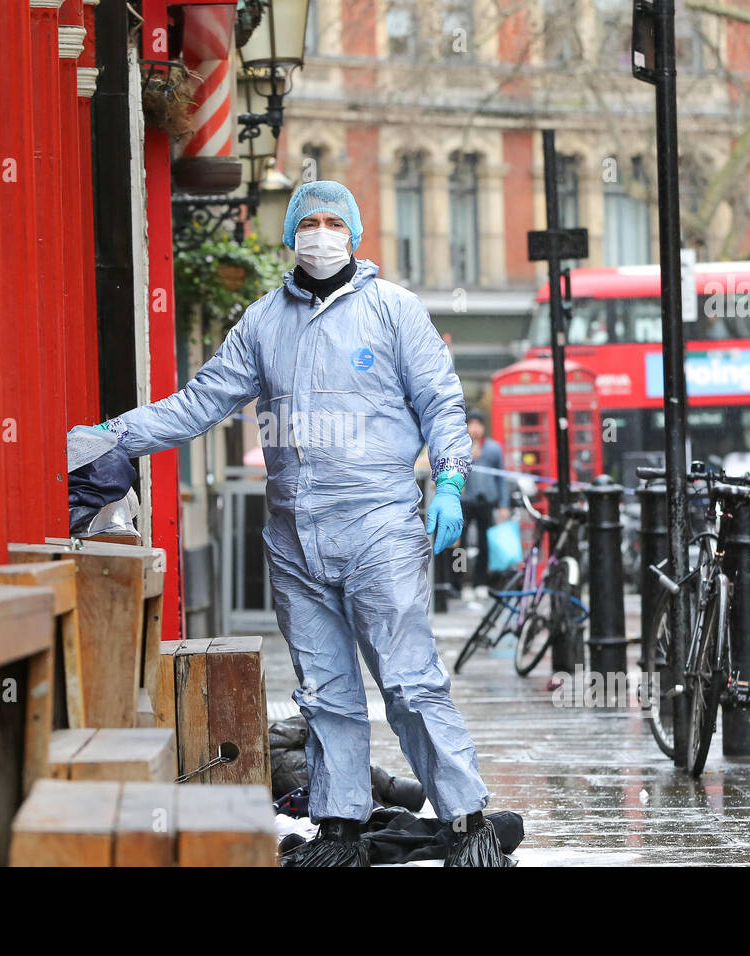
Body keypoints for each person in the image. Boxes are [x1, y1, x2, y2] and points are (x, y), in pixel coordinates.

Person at [92, 181, 510, 866]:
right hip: (293, 538)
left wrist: (451, 479)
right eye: (308, 222)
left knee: (409, 681)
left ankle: (468, 820)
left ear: (355, 232)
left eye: (332, 222)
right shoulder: (262, 323)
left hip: (379, 526)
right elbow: (199, 404)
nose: (320, 234)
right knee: (326, 691)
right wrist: (116, 435)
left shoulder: (395, 311)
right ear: (291, 234)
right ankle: (340, 828)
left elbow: (440, 400)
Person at [460, 410, 509, 598]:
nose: (475, 428)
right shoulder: (460, 447)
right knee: (461, 545)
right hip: (465, 502)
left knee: (485, 544)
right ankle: (462, 584)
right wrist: (467, 457)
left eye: (478, 424)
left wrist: (503, 504)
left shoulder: (493, 449)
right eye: (471, 424)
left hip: (486, 501)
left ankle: (480, 582)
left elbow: (502, 478)